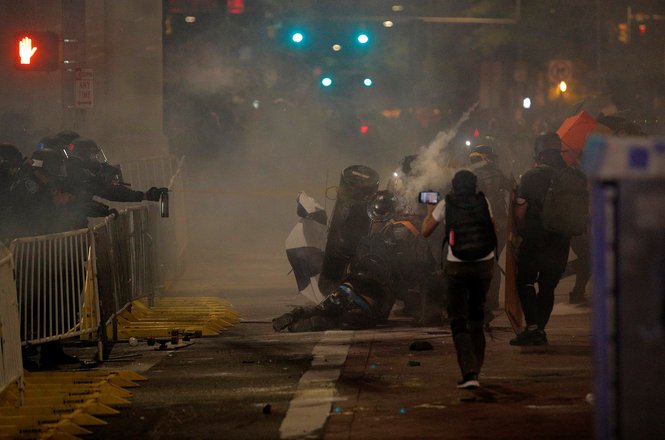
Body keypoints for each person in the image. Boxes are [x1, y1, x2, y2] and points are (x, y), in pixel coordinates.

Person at [422, 170, 496, 389]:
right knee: (477, 315)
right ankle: (477, 369)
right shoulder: (484, 201)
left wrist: (429, 211)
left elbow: (426, 230)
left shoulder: (447, 203)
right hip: (485, 264)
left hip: (457, 266)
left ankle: (469, 372)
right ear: (474, 185)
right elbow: (493, 229)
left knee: (458, 319)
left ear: (453, 186)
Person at [510, 132, 574, 346]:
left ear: (539, 152)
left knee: (525, 281)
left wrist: (518, 233)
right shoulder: (572, 175)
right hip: (561, 239)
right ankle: (539, 329)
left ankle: (533, 327)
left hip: (535, 239)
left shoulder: (531, 176)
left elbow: (520, 211)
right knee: (548, 286)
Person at [272, 254, 394, 332]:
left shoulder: (364, 258)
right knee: (335, 321)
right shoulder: (386, 274)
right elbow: (382, 311)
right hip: (361, 305)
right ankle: (310, 324)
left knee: (319, 309)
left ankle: (295, 314)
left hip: (345, 289)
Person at [467, 143, 512, 322]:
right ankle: (492, 300)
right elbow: (513, 189)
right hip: (498, 224)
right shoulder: (497, 173)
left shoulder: (470, 175)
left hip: (480, 225)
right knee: (493, 262)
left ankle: (483, 300)